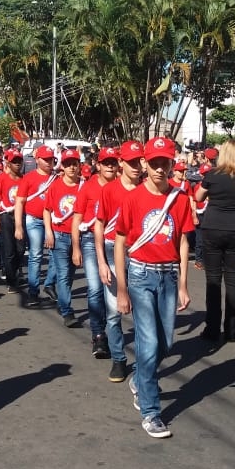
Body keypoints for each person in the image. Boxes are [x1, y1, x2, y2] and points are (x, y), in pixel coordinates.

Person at [115, 137, 193, 439]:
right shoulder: (133, 199)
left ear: (172, 164)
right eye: (155, 162)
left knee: (166, 343)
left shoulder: (180, 199)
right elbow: (120, 241)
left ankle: (139, 378)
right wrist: (122, 288)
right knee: (147, 344)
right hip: (140, 275)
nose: (160, 168)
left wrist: (183, 284)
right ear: (144, 164)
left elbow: (183, 242)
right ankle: (151, 412)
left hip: (169, 276)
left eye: (165, 162)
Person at [193, 139, 235, 342]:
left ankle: (212, 328)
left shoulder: (212, 175)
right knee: (232, 279)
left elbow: (198, 197)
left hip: (213, 226)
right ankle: (232, 329)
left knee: (213, 279)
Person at [95, 140, 143, 383]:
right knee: (114, 311)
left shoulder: (147, 189)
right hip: (113, 250)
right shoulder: (109, 190)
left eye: (139, 162)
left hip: (140, 253)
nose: (136, 167)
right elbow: (99, 225)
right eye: (131, 162)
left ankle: (145, 363)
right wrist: (102, 262)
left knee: (143, 312)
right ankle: (118, 358)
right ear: (121, 163)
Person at [72, 146, 119, 357]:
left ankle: (114, 331)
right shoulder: (88, 187)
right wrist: (76, 247)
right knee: (95, 288)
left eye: (113, 162)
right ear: (98, 165)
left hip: (116, 242)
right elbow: (77, 219)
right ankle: (98, 334)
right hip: (91, 241)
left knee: (115, 291)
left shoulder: (123, 186)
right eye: (106, 162)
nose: (110, 166)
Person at [44, 149, 83, 326]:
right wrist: (49, 232)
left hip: (78, 237)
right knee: (63, 274)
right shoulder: (55, 186)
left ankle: (62, 302)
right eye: (68, 164)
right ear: (62, 167)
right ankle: (67, 312)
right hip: (59, 235)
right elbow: (47, 210)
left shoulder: (84, 186)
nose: (71, 168)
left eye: (74, 164)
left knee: (70, 274)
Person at [15, 145, 58, 304]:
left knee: (55, 253)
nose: (48, 162)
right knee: (36, 254)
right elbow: (19, 202)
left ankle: (49, 284)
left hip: (53, 221)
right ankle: (33, 291)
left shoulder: (57, 178)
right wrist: (18, 226)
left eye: (51, 159)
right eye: (45, 159)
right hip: (33, 220)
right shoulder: (28, 178)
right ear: (37, 160)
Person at [0, 148, 24, 291]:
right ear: (8, 164)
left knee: (20, 249)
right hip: (5, 216)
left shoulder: (24, 179)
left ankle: (14, 271)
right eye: (14, 161)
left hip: (21, 217)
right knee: (9, 250)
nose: (17, 164)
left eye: (19, 161)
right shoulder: (2, 178)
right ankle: (11, 281)